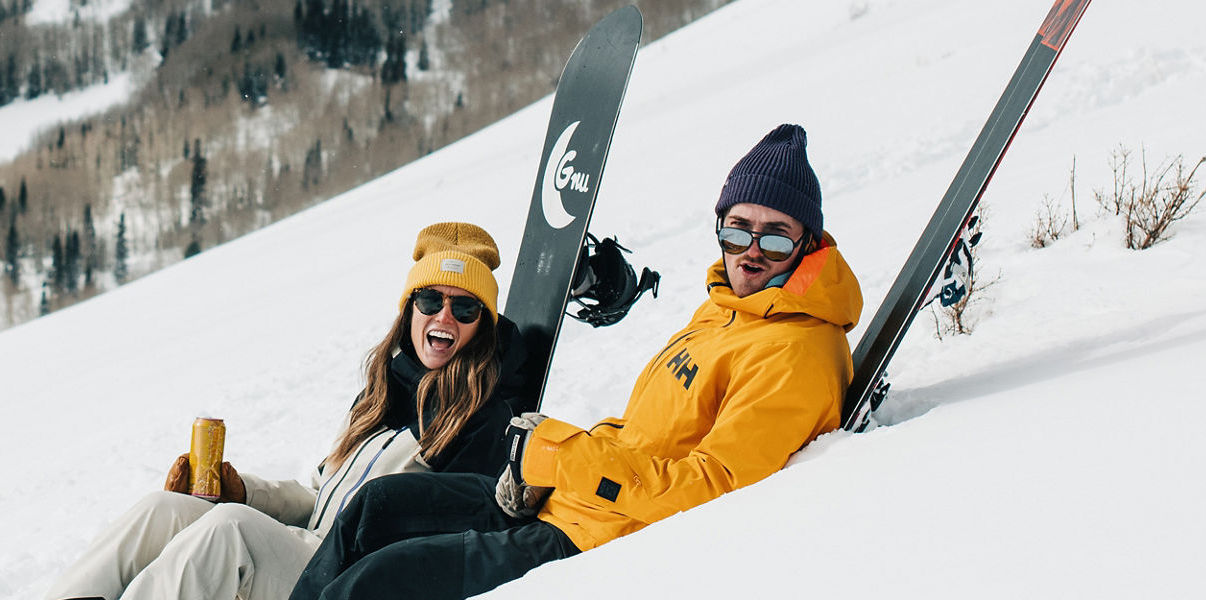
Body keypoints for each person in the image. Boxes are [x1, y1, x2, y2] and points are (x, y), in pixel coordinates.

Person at [288, 124, 864, 600]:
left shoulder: (795, 354)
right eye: (738, 231)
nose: (753, 251)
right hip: (573, 501)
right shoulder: (729, 312)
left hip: (596, 535)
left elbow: (712, 489)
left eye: (777, 237)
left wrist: (563, 459)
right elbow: (648, 439)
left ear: (808, 244)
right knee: (375, 507)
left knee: (377, 585)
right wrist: (544, 465)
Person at [46, 223, 542, 600]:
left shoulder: (479, 417)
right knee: (164, 510)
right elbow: (318, 496)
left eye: (466, 308)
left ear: (483, 327)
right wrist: (241, 491)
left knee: (230, 531)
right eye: (431, 299)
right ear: (410, 309)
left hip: (346, 575)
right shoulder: (386, 393)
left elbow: (460, 532)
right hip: (307, 544)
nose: (444, 316)